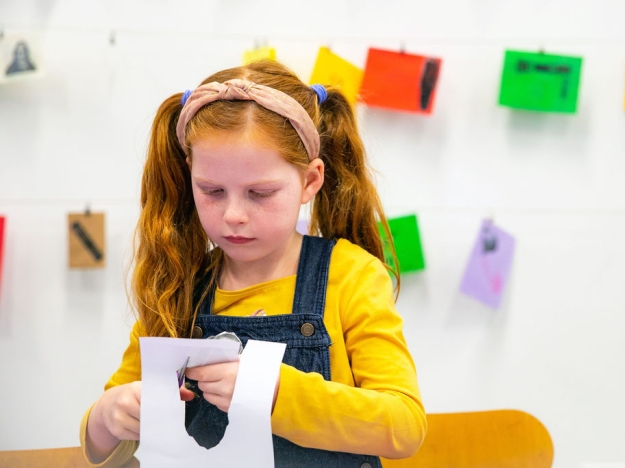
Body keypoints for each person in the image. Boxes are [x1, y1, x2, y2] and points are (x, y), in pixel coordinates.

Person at [79, 60, 427, 467]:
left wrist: (276, 393)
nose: (233, 215)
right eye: (212, 190)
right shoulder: (180, 287)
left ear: (309, 181)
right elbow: (104, 445)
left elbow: (403, 425)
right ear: (190, 173)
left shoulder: (351, 275)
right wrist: (107, 418)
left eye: (260, 193)